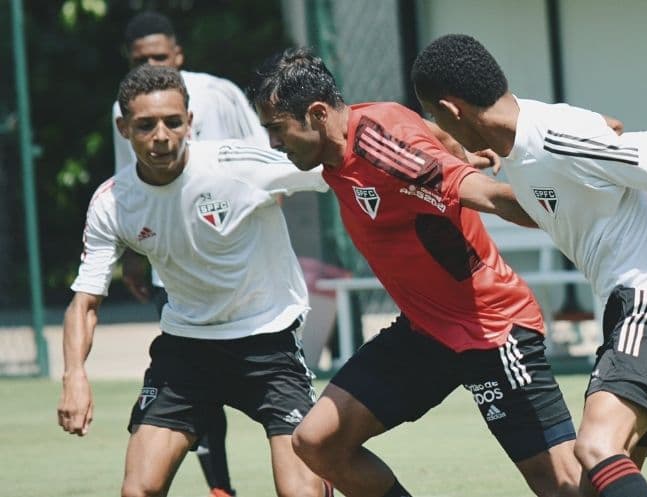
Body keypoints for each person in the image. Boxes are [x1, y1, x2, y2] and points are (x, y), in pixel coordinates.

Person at [411, 34, 647, 497]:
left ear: (453, 110)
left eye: (438, 119)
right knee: (597, 488)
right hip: (633, 305)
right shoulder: (523, 141)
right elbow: (608, 129)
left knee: (595, 449)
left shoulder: (555, 137)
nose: (442, 131)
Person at [249, 47, 584, 497]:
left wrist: (570, 205)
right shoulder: (362, 127)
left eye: (276, 129)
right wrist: (463, 150)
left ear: (315, 114)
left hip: (491, 327)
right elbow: (434, 133)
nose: (273, 143)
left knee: (563, 484)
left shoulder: (385, 150)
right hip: (425, 332)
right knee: (318, 443)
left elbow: (486, 196)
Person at [57, 65, 333, 497]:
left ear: (191, 122)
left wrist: (445, 159)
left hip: (267, 341)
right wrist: (74, 375)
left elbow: (336, 161)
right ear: (123, 128)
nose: (162, 136)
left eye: (173, 121)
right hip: (187, 349)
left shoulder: (236, 164)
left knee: (301, 492)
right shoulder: (114, 202)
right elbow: (85, 302)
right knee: (139, 490)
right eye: (146, 125)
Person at [111, 12, 269, 496]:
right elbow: (127, 184)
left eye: (159, 56)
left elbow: (267, 158)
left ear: (177, 55)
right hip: (175, 271)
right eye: (141, 59)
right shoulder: (123, 104)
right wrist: (133, 255)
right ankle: (220, 487)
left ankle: (305, 468)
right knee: (199, 383)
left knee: (273, 386)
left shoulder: (219, 93)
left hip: (244, 272)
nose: (151, 64)